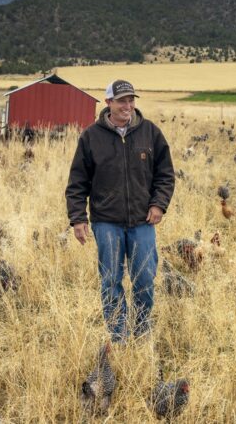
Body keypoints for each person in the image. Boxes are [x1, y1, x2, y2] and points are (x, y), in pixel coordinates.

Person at [65, 79, 175, 342]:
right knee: (111, 281)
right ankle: (118, 336)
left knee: (145, 279)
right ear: (108, 103)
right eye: (122, 100)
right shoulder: (91, 137)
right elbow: (77, 181)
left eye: (131, 100)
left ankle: (141, 330)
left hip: (142, 222)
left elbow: (165, 174)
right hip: (106, 223)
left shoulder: (150, 132)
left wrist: (159, 203)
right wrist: (78, 218)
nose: (128, 105)